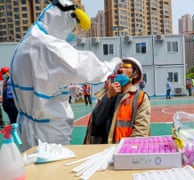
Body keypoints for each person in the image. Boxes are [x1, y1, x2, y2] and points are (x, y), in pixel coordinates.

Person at [10, 1, 122, 151]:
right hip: (47, 131)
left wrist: (66, 89)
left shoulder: (29, 39)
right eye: (72, 28)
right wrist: (111, 66)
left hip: (30, 125)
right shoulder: (48, 45)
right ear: (63, 21)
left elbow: (39, 82)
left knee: (33, 168)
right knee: (51, 170)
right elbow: (83, 66)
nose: (71, 34)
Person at [84, 57, 151, 144]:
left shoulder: (140, 98)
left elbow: (141, 132)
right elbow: (96, 122)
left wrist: (126, 151)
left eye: (125, 66)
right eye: (119, 67)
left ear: (135, 74)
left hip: (123, 150)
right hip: (101, 149)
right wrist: (108, 96)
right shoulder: (106, 93)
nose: (120, 69)